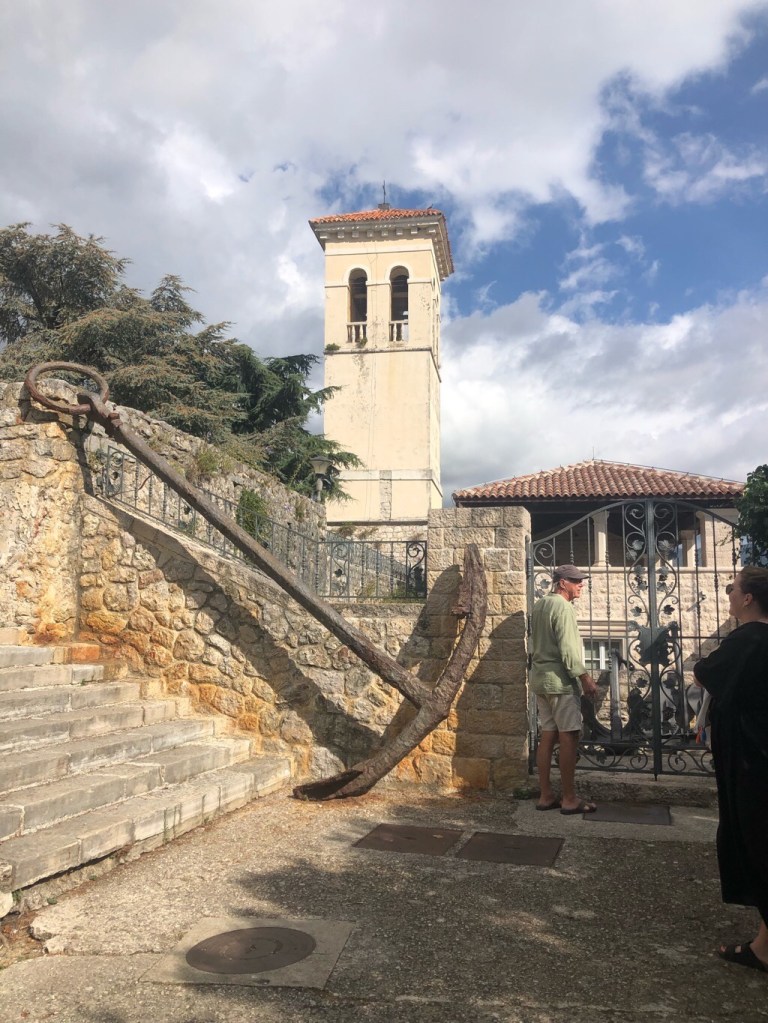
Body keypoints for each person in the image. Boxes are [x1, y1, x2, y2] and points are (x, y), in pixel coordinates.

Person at [694, 566, 768, 974]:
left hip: (751, 760)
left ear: (748, 598)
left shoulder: (749, 639)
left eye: (731, 588)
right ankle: (763, 945)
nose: (728, 594)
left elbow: (706, 672)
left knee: (756, 842)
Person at [529, 564, 598, 815]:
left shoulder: (540, 605)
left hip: (540, 679)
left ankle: (546, 795)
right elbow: (568, 648)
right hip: (560, 682)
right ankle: (569, 799)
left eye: (581, 580)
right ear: (562, 583)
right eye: (575, 581)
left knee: (548, 735)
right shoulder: (563, 607)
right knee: (569, 736)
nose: (581, 584)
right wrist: (585, 678)